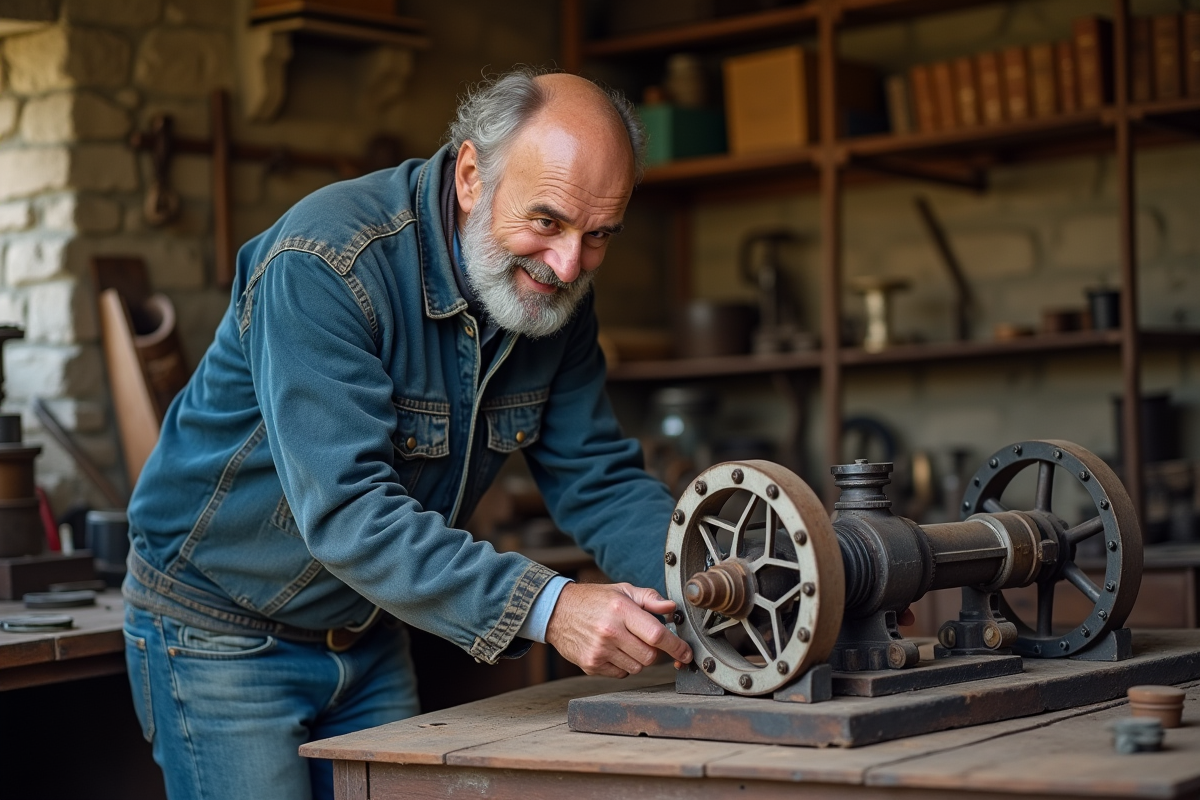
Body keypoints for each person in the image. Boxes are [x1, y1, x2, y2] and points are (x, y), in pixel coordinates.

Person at [121, 68, 693, 800]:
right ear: (468, 175)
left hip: (368, 627)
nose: (570, 264)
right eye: (547, 221)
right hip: (222, 635)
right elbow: (350, 512)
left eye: (599, 235)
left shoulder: (557, 292)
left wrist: (721, 580)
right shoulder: (324, 265)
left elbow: (599, 478)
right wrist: (550, 609)